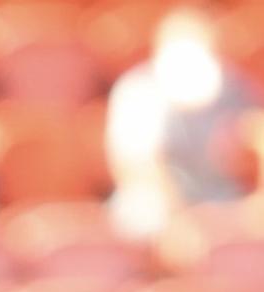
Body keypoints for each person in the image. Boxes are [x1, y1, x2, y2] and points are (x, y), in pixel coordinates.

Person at [106, 7, 261, 239]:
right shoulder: (138, 92)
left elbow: (255, 135)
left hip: (221, 201)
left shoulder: (237, 88)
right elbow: (138, 166)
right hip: (153, 208)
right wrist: (181, 218)